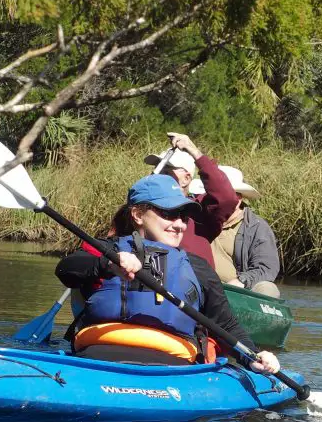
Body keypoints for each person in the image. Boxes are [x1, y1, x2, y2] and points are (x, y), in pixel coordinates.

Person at [56, 174, 280, 374]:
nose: (179, 225)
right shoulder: (107, 250)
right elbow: (66, 269)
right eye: (169, 214)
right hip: (98, 358)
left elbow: (226, 326)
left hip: (173, 368)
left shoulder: (197, 267)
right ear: (137, 214)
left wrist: (252, 356)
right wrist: (107, 264)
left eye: (183, 217)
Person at [141, 132, 238, 268]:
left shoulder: (199, 212)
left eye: (166, 172)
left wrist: (195, 152)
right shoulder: (143, 209)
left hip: (195, 285)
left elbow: (226, 198)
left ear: (186, 179)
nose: (157, 175)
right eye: (157, 170)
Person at [190, 166, 281, 298]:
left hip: (237, 291)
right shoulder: (193, 218)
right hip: (197, 285)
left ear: (238, 198)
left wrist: (240, 281)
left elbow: (265, 268)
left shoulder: (257, 227)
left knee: (267, 289)